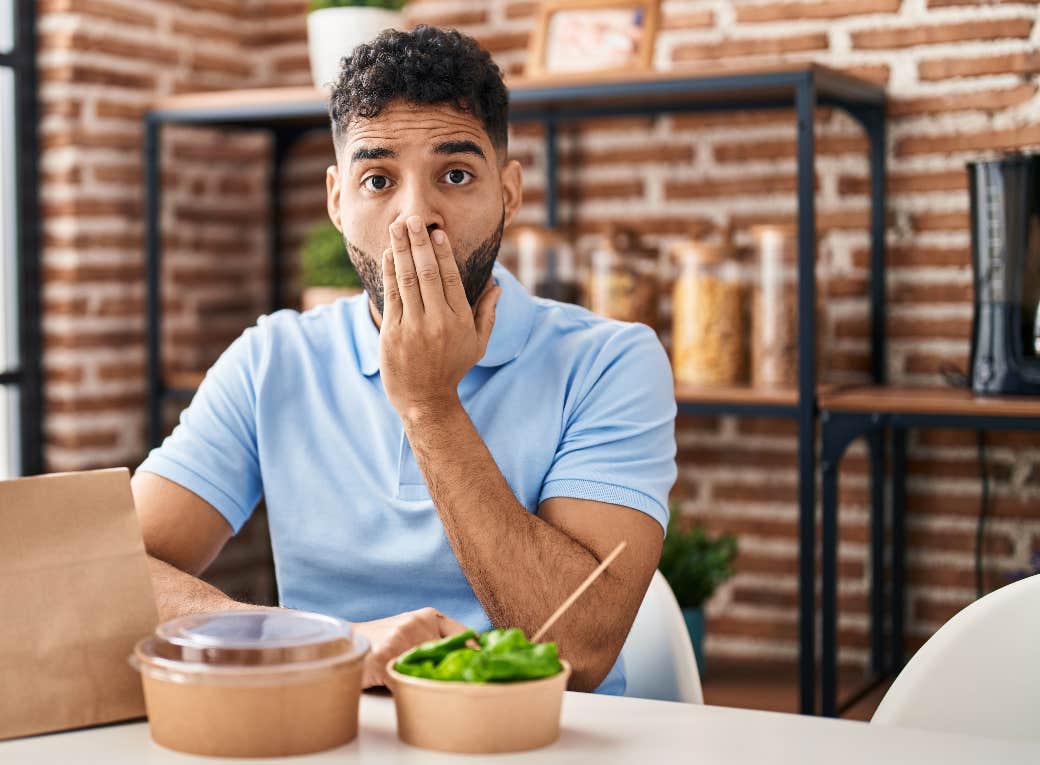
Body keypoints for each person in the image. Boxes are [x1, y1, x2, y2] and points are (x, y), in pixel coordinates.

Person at [132, 25, 676, 694]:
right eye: (378, 179)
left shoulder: (613, 363)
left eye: (455, 174)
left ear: (509, 191)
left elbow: (582, 647)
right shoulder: (271, 360)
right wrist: (317, 643)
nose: (415, 217)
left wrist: (429, 403)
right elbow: (114, 569)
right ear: (337, 201)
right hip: (334, 734)